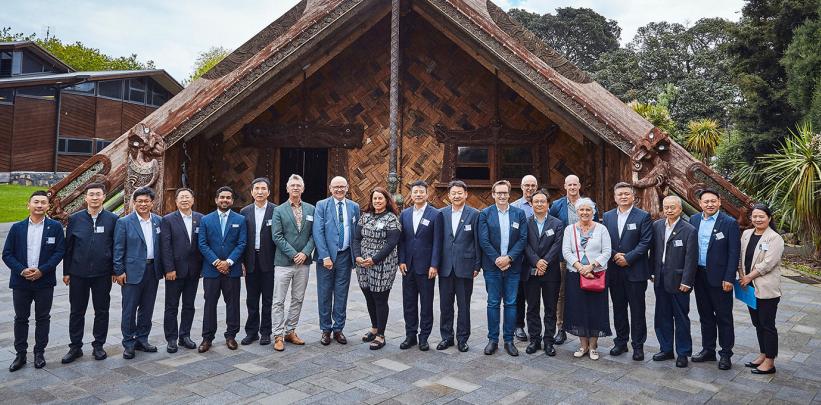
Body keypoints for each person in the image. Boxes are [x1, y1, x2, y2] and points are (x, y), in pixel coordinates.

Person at [3, 190, 65, 371]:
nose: (39, 205)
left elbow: (59, 252)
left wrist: (42, 270)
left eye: (43, 203)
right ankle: (20, 354)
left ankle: (39, 353)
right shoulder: (17, 228)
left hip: (44, 281)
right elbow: (7, 253)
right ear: (28, 205)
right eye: (36, 202)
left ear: (48, 206)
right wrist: (22, 270)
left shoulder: (55, 227)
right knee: (21, 318)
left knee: (43, 318)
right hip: (21, 282)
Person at [61, 183, 118, 363]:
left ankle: (98, 345)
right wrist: (67, 271)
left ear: (104, 197)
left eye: (98, 194)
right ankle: (75, 347)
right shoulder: (75, 219)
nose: (94, 197)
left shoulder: (112, 219)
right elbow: (68, 247)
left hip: (103, 274)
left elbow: (116, 247)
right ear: (85, 198)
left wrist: (115, 270)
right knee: (77, 311)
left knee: (102, 310)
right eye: (91, 194)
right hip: (78, 273)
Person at [689, 189, 739, 370]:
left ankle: (725, 354)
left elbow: (734, 253)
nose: (709, 204)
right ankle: (708, 350)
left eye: (713, 201)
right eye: (706, 201)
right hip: (699, 276)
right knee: (705, 316)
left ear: (719, 202)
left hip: (720, 278)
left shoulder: (729, 223)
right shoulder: (694, 220)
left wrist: (729, 277)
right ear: (700, 203)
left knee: (724, 317)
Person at [602, 182, 652, 361]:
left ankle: (638, 345)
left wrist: (628, 258)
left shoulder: (643, 216)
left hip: (636, 271)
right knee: (618, 308)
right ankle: (621, 342)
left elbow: (645, 242)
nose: (623, 197)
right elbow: (604, 240)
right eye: (619, 194)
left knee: (638, 310)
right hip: (614, 271)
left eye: (626, 194)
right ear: (614, 197)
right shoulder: (607, 216)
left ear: (633, 197)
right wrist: (616, 255)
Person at [478, 180, 528, 356]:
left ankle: (508, 340)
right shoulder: (485, 214)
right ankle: (493, 340)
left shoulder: (519, 214)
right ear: (493, 194)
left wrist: (509, 258)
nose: (501, 196)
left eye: (504, 193)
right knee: (493, 303)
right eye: (498, 193)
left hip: (513, 267)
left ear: (509, 194)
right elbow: (483, 240)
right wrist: (497, 259)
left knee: (511, 303)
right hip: (492, 267)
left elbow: (523, 239)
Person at [113, 187, 163, 360]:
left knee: (147, 308)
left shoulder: (158, 221)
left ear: (152, 203)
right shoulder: (124, 222)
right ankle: (128, 343)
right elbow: (118, 248)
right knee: (129, 309)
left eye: (146, 201)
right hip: (131, 272)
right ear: (134, 203)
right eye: (139, 201)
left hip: (152, 270)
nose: (143, 204)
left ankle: (142, 339)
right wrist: (119, 271)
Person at [548, 174, 598, 345]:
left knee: (584, 291)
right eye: (569, 184)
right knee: (561, 294)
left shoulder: (589, 205)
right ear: (565, 186)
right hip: (564, 257)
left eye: (575, 184)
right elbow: (552, 227)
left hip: (587, 259)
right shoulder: (556, 206)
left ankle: (584, 329)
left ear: (579, 185)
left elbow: (596, 229)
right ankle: (561, 328)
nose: (572, 187)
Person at [197, 186, 247, 353]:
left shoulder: (240, 220)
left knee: (232, 304)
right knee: (209, 304)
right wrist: (217, 262)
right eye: (222, 197)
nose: (225, 200)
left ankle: (231, 335)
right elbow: (202, 244)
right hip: (211, 270)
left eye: (228, 198)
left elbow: (242, 243)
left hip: (232, 270)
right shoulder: (206, 220)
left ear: (232, 201)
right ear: (216, 200)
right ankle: (207, 338)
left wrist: (229, 262)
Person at [561, 197, 612, 360]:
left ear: (593, 212)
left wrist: (591, 266)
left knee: (596, 309)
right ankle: (583, 345)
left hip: (596, 275)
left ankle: (593, 346)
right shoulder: (569, 229)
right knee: (578, 309)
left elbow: (607, 251)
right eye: (581, 210)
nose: (584, 213)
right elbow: (566, 251)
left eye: (588, 210)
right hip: (575, 275)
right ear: (577, 212)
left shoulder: (601, 229)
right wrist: (580, 267)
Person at [650, 196, 698, 368]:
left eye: (672, 207)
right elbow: (654, 251)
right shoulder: (657, 226)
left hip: (679, 281)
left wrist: (687, 280)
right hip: (660, 278)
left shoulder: (689, 229)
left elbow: (691, 258)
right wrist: (652, 272)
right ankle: (666, 348)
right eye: (666, 207)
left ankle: (683, 353)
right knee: (662, 316)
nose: (669, 210)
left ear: (680, 209)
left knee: (681, 318)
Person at [313, 176, 360, 345]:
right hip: (326, 257)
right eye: (336, 187)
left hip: (345, 256)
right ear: (330, 188)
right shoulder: (321, 205)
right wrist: (325, 256)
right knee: (324, 293)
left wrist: (356, 255)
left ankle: (338, 329)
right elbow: (318, 232)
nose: (339, 190)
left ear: (347, 188)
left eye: (342, 186)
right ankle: (325, 329)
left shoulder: (354, 207)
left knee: (341, 293)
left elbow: (356, 233)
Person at [353, 187, 401, 350]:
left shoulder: (391, 219)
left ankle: (381, 334)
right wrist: (358, 256)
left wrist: (374, 259)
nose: (377, 201)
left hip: (383, 264)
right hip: (363, 264)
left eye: (380, 198)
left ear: (387, 201)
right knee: (369, 296)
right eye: (375, 198)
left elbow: (391, 243)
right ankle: (374, 328)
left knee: (380, 298)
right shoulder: (364, 216)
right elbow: (356, 238)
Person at [271, 174, 315, 351]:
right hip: (283, 262)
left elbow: (314, 235)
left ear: (303, 189)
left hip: (303, 263)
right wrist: (293, 254)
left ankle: (290, 331)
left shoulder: (311, 209)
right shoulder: (279, 210)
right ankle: (278, 335)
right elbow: (277, 236)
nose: (295, 188)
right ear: (287, 188)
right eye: (292, 185)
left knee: (298, 299)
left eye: (299, 185)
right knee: (278, 300)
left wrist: (305, 253)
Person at [738, 204, 783, 375]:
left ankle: (770, 362)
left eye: (761, 216)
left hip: (766, 289)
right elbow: (741, 257)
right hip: (749, 287)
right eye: (755, 216)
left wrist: (749, 276)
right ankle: (763, 354)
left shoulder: (774, 238)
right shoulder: (747, 233)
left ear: (769, 218)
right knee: (757, 324)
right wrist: (742, 274)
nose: (757, 219)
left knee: (767, 325)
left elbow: (768, 264)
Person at [398, 180, 443, 351]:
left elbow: (437, 242)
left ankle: (424, 337)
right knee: (408, 303)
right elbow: (401, 241)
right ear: (411, 194)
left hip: (426, 268)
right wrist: (401, 260)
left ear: (427, 194)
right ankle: (410, 335)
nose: (418, 194)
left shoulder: (435, 214)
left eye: (421, 191)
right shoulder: (405, 214)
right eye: (415, 191)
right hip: (408, 266)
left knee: (426, 303)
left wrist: (434, 265)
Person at [438, 180, 480, 352]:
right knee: (445, 305)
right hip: (445, 267)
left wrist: (478, 264)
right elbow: (437, 241)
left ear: (466, 194)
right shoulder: (441, 214)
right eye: (453, 193)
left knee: (464, 305)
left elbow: (478, 241)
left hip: (465, 266)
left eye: (459, 193)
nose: (456, 196)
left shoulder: (475, 214)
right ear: (449, 196)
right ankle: (446, 337)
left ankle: (462, 339)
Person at [161, 188, 204, 353]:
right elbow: (165, 246)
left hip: (193, 271)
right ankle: (171, 338)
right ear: (176, 201)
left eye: (187, 197)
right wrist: (169, 268)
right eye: (181, 198)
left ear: (193, 200)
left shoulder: (201, 219)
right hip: (174, 272)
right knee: (171, 306)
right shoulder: (168, 220)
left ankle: (184, 335)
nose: (185, 200)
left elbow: (203, 244)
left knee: (189, 305)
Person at [523, 189, 564, 356]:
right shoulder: (525, 222)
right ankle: (534, 339)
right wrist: (536, 262)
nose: (539, 204)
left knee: (550, 307)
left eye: (543, 201)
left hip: (551, 272)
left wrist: (544, 262)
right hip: (530, 271)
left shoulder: (557, 224)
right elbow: (524, 244)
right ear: (531, 204)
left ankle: (548, 341)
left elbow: (557, 245)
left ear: (548, 204)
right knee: (532, 307)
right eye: (536, 201)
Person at [240, 178, 277, 346]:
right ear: (252, 192)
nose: (260, 191)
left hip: (269, 261)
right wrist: (241, 262)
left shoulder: (276, 211)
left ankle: (266, 332)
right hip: (251, 261)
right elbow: (240, 238)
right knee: (252, 299)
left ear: (269, 192)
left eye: (263, 189)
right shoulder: (244, 212)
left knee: (268, 300)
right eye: (257, 188)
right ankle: (251, 332)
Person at [511, 174, 538, 342]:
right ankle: (518, 326)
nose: (530, 188)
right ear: (521, 187)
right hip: (520, 259)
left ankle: (535, 328)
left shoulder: (543, 205)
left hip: (538, 259)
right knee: (519, 295)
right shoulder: (515, 207)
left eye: (533, 186)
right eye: (526, 185)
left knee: (534, 296)